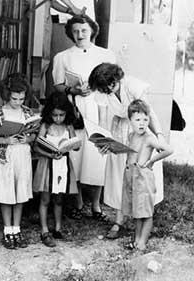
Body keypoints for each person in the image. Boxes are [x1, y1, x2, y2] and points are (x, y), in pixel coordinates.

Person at [87, 62, 167, 239]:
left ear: (117, 78)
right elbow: (105, 118)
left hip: (139, 129)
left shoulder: (133, 85)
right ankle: (119, 220)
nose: (110, 89)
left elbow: (149, 113)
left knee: (140, 175)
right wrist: (104, 140)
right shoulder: (105, 92)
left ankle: (144, 219)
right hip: (119, 131)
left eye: (112, 85)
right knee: (119, 175)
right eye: (105, 89)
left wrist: (159, 134)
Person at [52, 14, 116, 220]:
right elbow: (58, 86)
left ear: (92, 32)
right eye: (76, 31)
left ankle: (96, 205)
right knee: (77, 155)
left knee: (98, 154)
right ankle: (79, 202)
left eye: (84, 30)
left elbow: (113, 83)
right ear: (71, 32)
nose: (80, 35)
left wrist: (95, 87)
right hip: (76, 109)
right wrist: (74, 90)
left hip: (99, 108)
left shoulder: (106, 54)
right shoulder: (63, 57)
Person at [0, 74, 38, 250]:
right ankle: (7, 230)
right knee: (6, 193)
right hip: (6, 156)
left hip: (23, 155)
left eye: (22, 98)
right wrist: (6, 140)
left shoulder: (28, 112)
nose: (18, 102)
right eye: (14, 98)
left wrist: (27, 138)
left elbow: (34, 134)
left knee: (20, 192)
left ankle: (17, 228)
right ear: (7, 95)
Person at [121, 99, 173, 250]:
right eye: (137, 120)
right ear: (130, 120)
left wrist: (152, 161)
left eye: (145, 119)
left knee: (146, 212)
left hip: (144, 180)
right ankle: (137, 240)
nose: (142, 123)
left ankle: (142, 243)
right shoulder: (131, 136)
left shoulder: (149, 138)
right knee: (137, 212)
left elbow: (169, 150)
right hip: (132, 177)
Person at [33, 92, 80, 247]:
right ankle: (44, 229)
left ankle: (58, 228)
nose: (58, 118)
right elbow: (36, 147)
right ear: (49, 113)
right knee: (45, 198)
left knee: (59, 198)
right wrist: (49, 154)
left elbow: (76, 146)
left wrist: (71, 145)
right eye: (55, 115)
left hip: (63, 165)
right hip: (47, 165)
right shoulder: (45, 126)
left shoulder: (68, 126)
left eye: (61, 115)